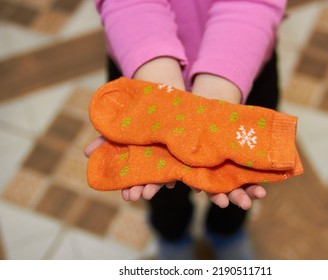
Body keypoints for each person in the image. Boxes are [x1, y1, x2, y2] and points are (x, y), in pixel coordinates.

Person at [85, 0, 286, 259]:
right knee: (157, 181)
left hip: (244, 63)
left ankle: (227, 232)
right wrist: (159, 91)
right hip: (141, 68)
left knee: (237, 174)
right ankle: (173, 237)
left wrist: (218, 95)